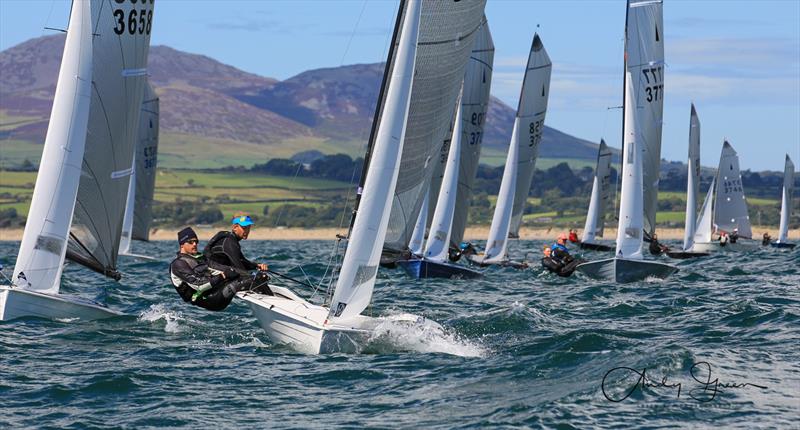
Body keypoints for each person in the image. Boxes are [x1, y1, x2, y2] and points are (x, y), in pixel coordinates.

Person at [169, 227, 268, 312]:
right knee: (250, 280)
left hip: (216, 291)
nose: (194, 244)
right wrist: (223, 276)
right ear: (182, 245)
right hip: (209, 300)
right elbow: (199, 286)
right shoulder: (178, 264)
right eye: (190, 242)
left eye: (196, 241)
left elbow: (220, 268)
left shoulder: (200, 258)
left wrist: (251, 269)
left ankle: (269, 300)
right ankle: (270, 305)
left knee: (258, 278)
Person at [205, 215, 269, 273]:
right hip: (211, 274)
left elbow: (242, 261)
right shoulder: (229, 242)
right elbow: (238, 266)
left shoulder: (233, 240)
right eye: (244, 228)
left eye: (248, 228)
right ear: (235, 227)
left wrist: (257, 266)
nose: (247, 231)